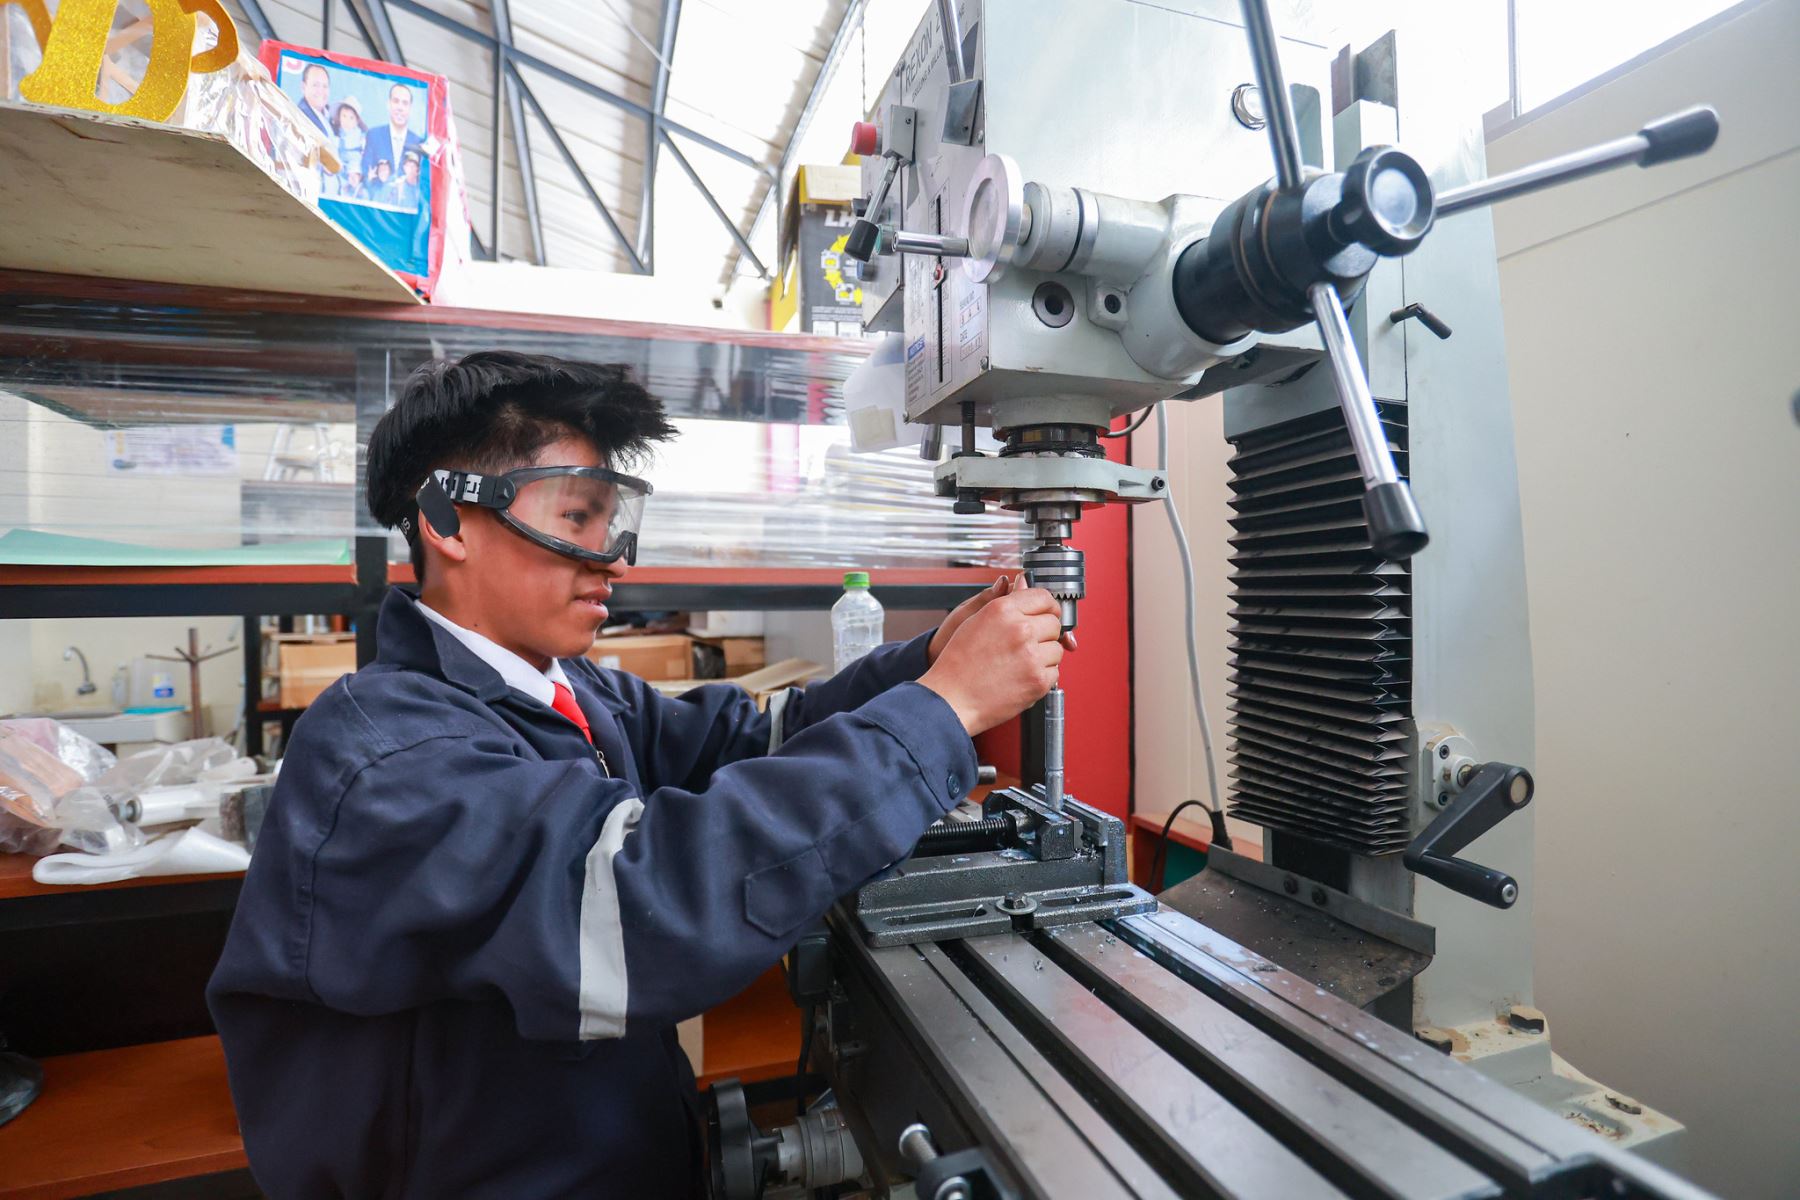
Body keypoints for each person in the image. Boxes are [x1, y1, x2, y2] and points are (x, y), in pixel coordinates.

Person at [207, 352, 1070, 1197]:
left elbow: (759, 736)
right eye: (575, 517)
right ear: (446, 518)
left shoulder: (567, 687)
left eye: (612, 520)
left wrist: (925, 664)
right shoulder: (383, 755)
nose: (613, 558)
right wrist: (944, 710)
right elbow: (634, 907)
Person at [362, 81, 424, 183]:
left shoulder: (418, 143)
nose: (400, 108)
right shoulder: (374, 135)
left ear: (410, 108)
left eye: (405, 103)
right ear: (388, 104)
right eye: (396, 101)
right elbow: (366, 173)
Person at [330, 96, 366, 188]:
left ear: (356, 121)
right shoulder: (334, 131)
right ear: (339, 117)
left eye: (351, 118)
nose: (347, 121)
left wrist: (353, 172)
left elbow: (355, 158)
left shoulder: (357, 137)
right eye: (344, 116)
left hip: (351, 169)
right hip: (335, 166)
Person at [295, 63, 332, 139]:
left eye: (325, 86)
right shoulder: (300, 117)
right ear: (303, 87)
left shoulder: (331, 115)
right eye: (315, 85)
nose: (321, 91)